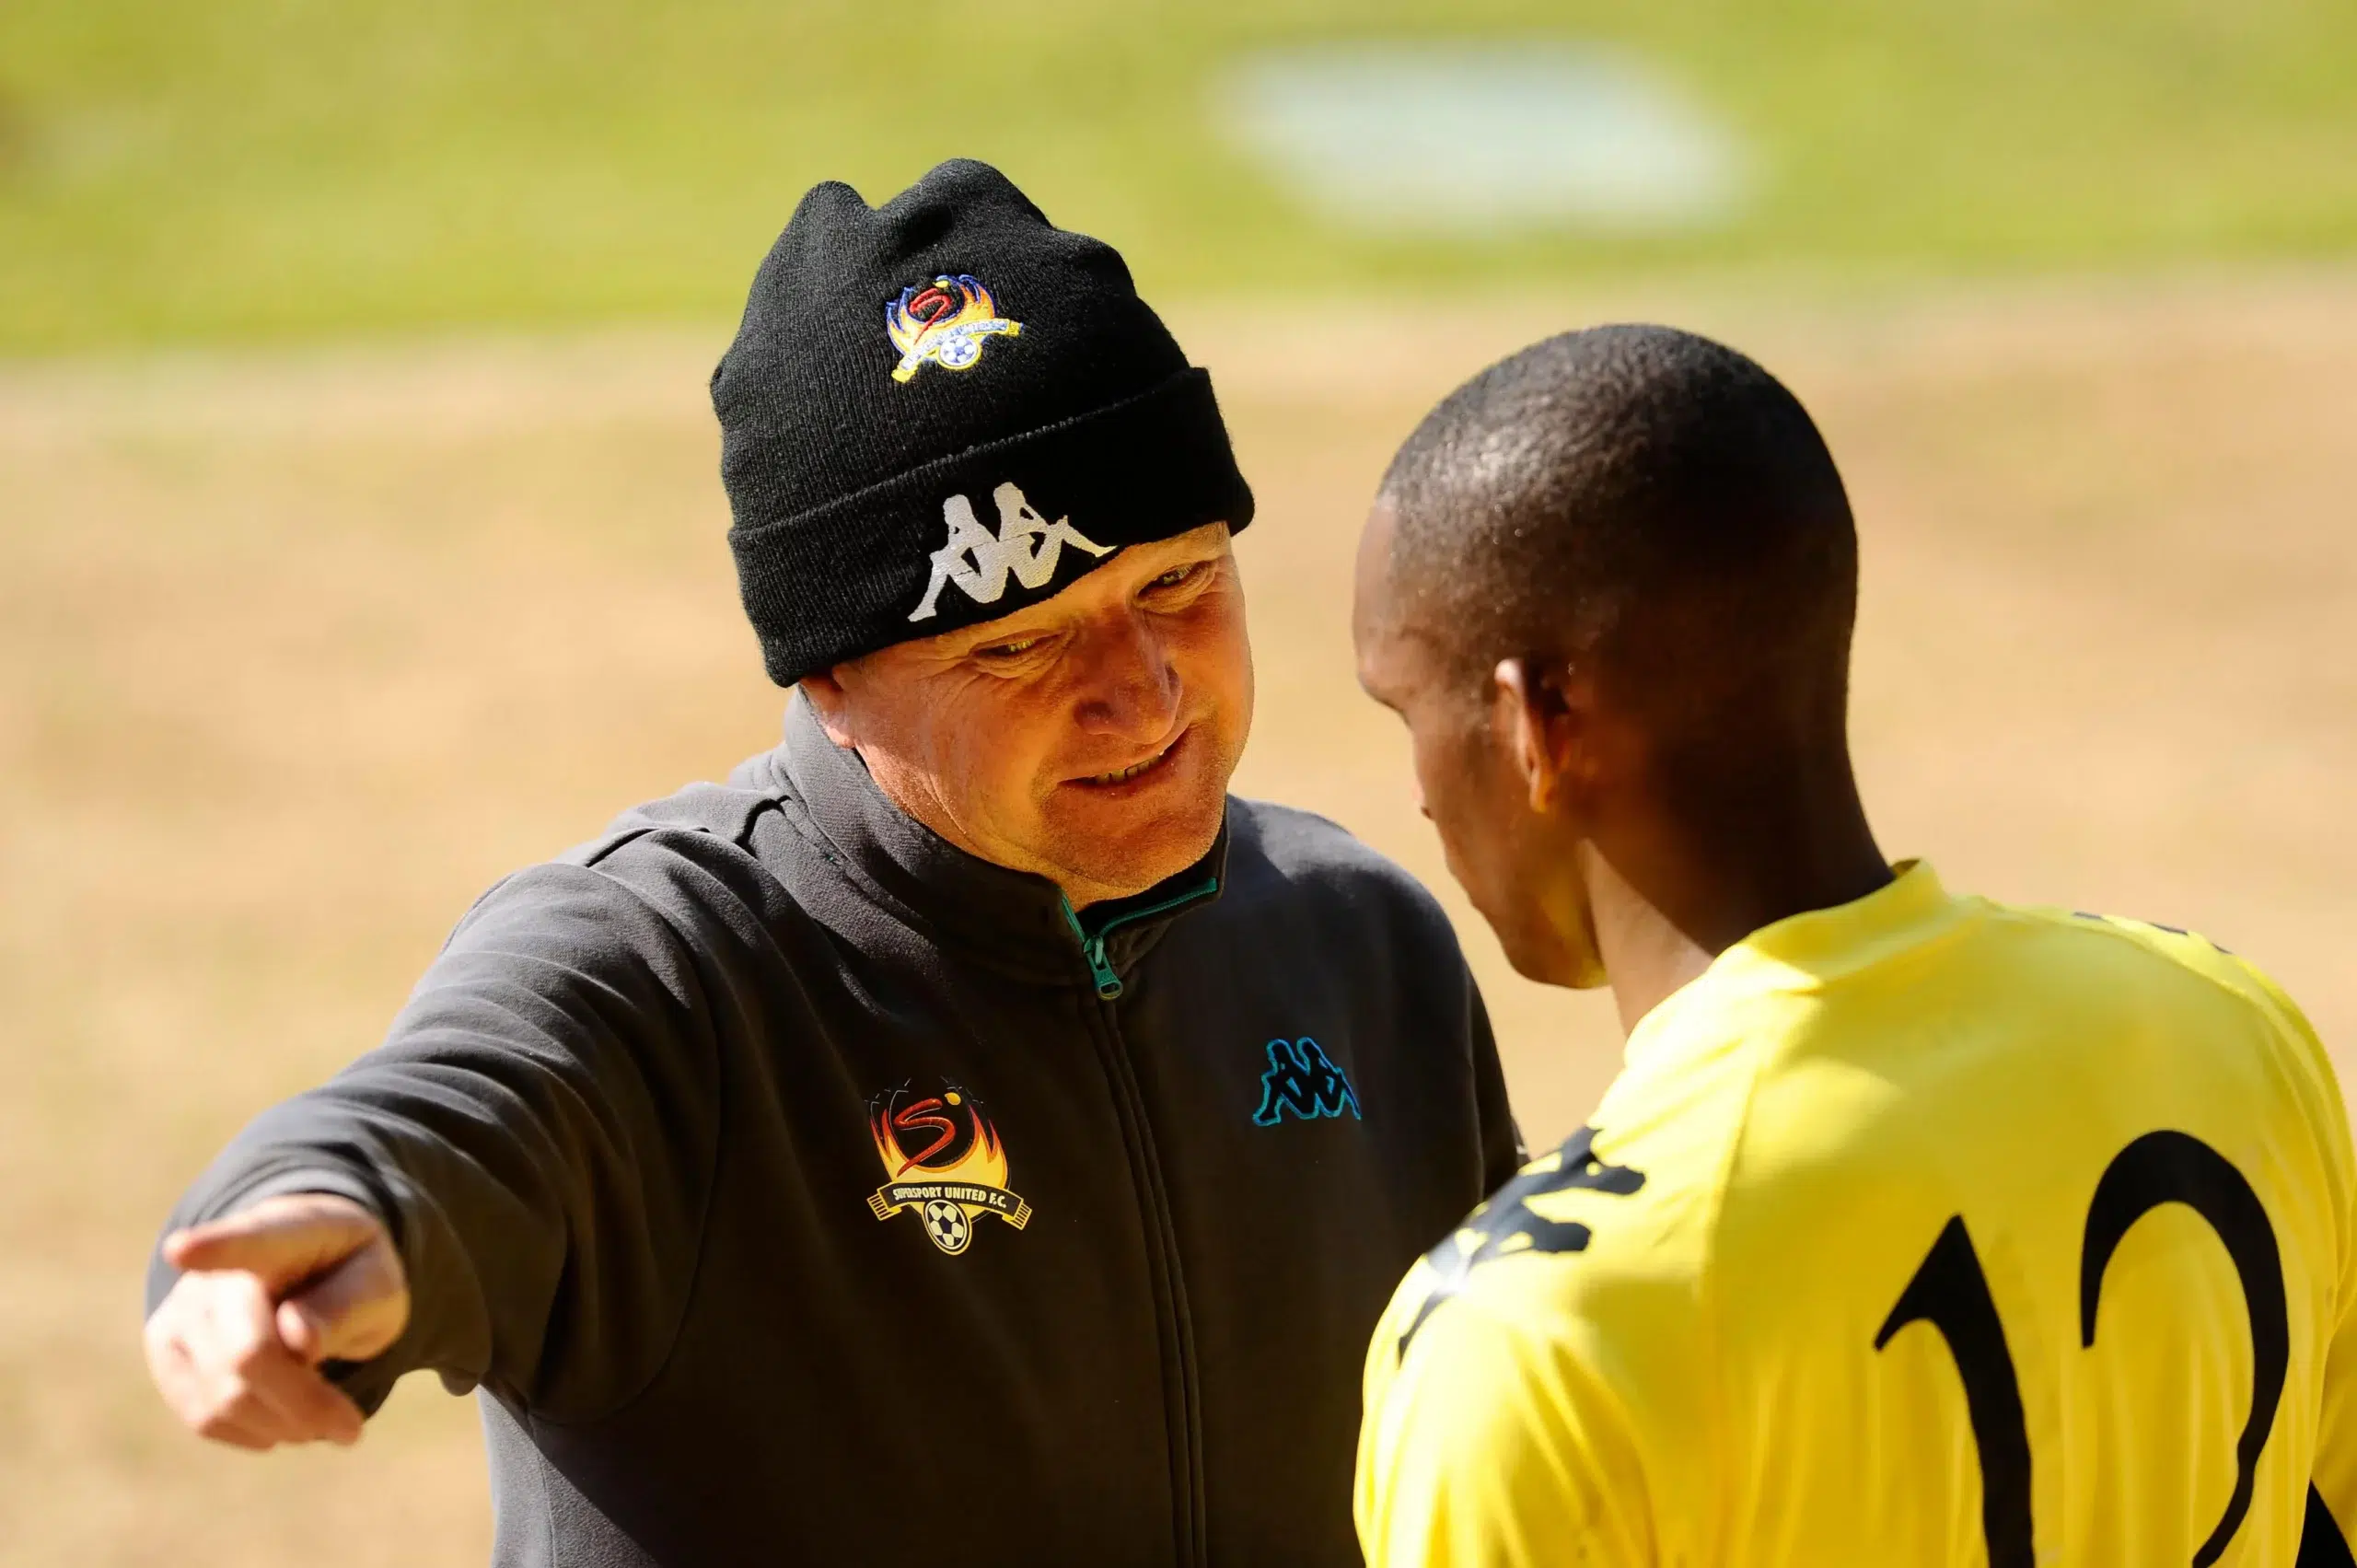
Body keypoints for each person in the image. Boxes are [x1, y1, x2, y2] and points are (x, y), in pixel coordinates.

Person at [142, 159, 1521, 1568]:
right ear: (835, 677)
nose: (1147, 691)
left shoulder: (1368, 946)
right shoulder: (664, 968)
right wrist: (318, 1211)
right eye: (1019, 643)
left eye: (1179, 583)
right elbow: (454, 1111)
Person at [1347, 323, 2355, 1566]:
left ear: (1538, 717)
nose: (1421, 794)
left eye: (1405, 708)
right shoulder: (2225, 1031)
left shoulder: (1530, 1335)